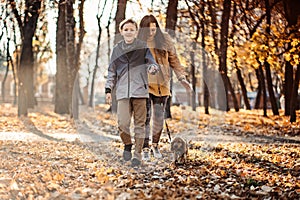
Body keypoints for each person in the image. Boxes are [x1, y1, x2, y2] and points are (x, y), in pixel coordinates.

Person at [137, 15, 193, 161]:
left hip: (162, 85)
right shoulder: (138, 42)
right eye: (148, 30)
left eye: (154, 30)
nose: (151, 33)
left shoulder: (165, 39)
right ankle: (145, 148)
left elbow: (174, 60)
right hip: (144, 86)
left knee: (158, 118)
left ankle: (155, 145)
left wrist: (182, 79)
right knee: (146, 117)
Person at [105, 18, 158, 167]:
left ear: (136, 32)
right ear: (122, 32)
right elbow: (111, 71)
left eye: (132, 29)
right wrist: (108, 89)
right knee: (122, 124)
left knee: (140, 125)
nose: (129, 32)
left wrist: (153, 68)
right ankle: (127, 144)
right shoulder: (117, 49)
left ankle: (138, 155)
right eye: (126, 29)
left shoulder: (143, 47)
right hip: (122, 93)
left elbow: (152, 62)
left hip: (140, 91)